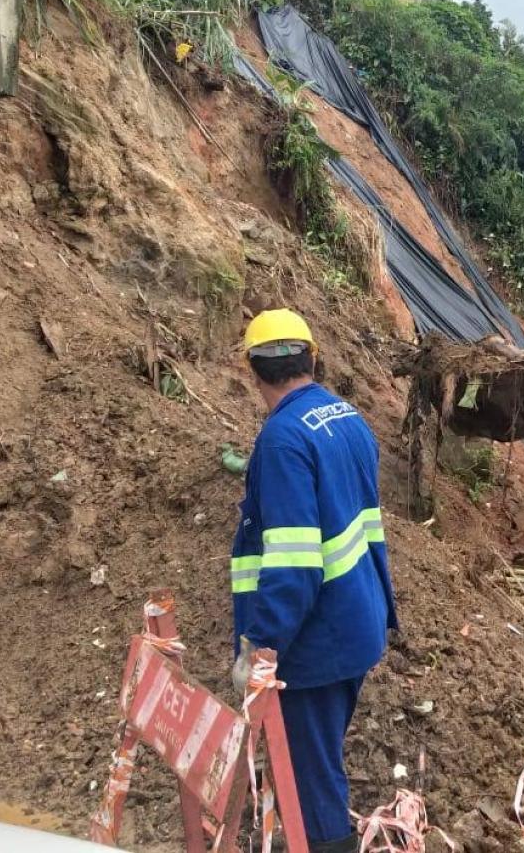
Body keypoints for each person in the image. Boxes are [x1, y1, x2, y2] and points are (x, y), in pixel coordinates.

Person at [230, 309, 398, 853]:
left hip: (315, 643)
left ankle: (324, 842)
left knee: (312, 774)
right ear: (313, 357)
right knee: (315, 761)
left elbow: (295, 559)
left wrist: (262, 644)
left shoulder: (281, 440)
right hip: (358, 620)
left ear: (250, 369)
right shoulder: (348, 417)